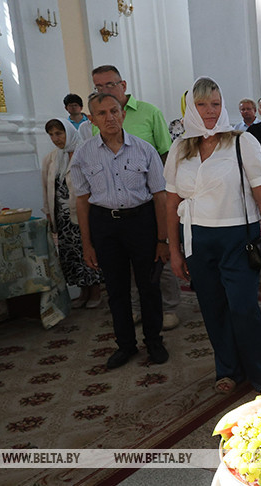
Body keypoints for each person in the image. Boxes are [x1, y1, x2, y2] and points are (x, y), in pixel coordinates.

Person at [165, 77, 261, 393]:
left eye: (215, 104)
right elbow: (171, 202)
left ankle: (259, 373)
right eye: (202, 105)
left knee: (243, 307)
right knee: (213, 307)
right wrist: (173, 250)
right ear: (191, 108)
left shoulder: (242, 143)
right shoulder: (179, 149)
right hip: (197, 240)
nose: (210, 111)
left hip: (237, 238)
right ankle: (227, 369)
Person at [70, 93, 170, 370]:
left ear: (123, 113)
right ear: (91, 120)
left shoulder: (144, 150)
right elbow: (81, 200)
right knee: (116, 290)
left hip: (141, 223)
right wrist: (87, 244)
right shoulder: (83, 154)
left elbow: (160, 196)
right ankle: (125, 345)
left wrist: (163, 240)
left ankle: (154, 341)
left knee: (149, 286)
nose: (110, 117)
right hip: (104, 225)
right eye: (101, 113)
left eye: (114, 111)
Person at [91, 65, 180, 331]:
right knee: (125, 262)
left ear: (124, 85)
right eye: (98, 87)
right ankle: (139, 308)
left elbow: (166, 154)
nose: (104, 91)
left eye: (109, 85)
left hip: (149, 200)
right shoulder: (97, 119)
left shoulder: (149, 112)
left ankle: (169, 307)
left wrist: (168, 197)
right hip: (114, 205)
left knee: (158, 253)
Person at [41, 118, 103, 309]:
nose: (55, 138)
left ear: (68, 132)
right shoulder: (51, 158)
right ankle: (83, 292)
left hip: (82, 214)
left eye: (59, 133)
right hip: (62, 217)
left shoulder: (85, 153)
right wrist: (49, 214)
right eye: (51, 135)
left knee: (87, 250)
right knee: (70, 254)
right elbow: (46, 187)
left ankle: (95, 291)